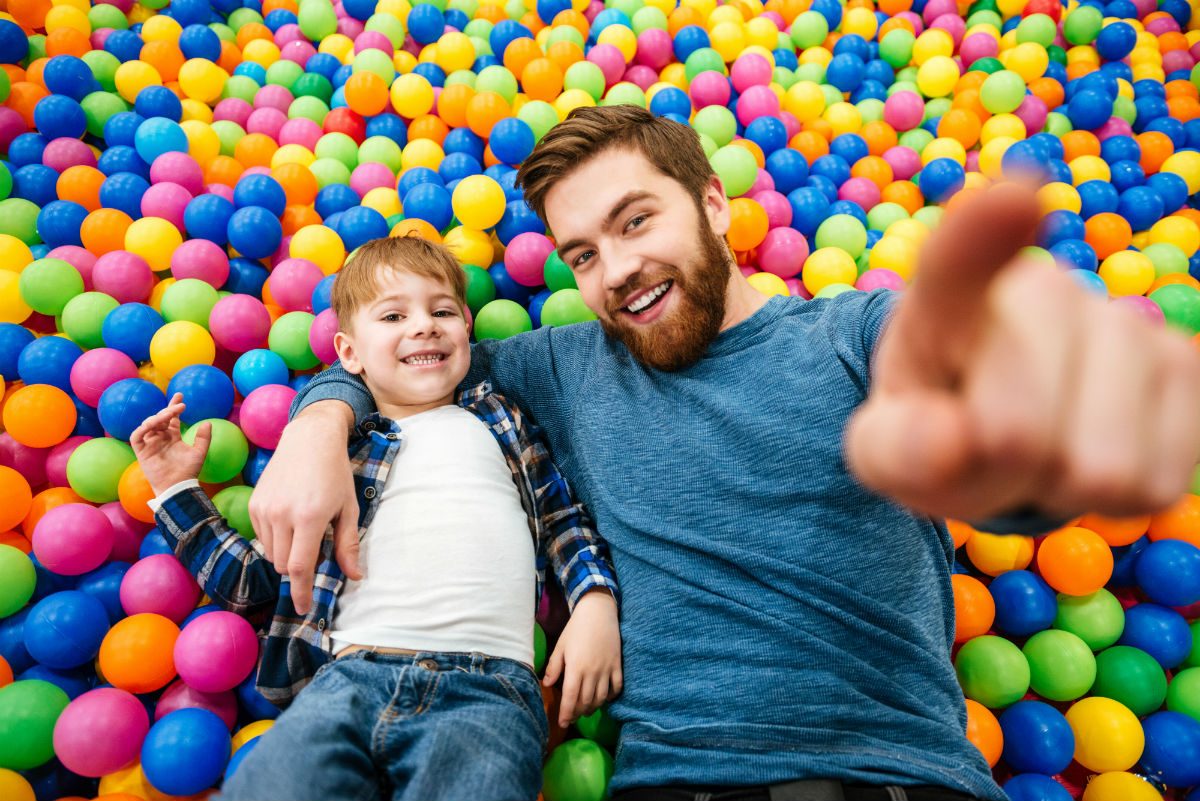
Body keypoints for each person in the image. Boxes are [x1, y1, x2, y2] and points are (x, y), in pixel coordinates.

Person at [253, 106, 1200, 801]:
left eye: (636, 222)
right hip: (679, 781)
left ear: (713, 204)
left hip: (899, 775)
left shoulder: (858, 333)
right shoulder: (566, 366)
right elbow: (408, 362)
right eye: (582, 254)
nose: (615, 270)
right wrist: (319, 419)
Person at [131, 235, 622, 801]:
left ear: (466, 328)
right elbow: (255, 581)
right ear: (349, 354)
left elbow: (564, 519)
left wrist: (594, 601)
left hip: (489, 692)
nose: (424, 326)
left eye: (442, 311)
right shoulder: (340, 455)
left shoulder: (500, 418)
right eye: (393, 315)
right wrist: (174, 489)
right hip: (346, 680)